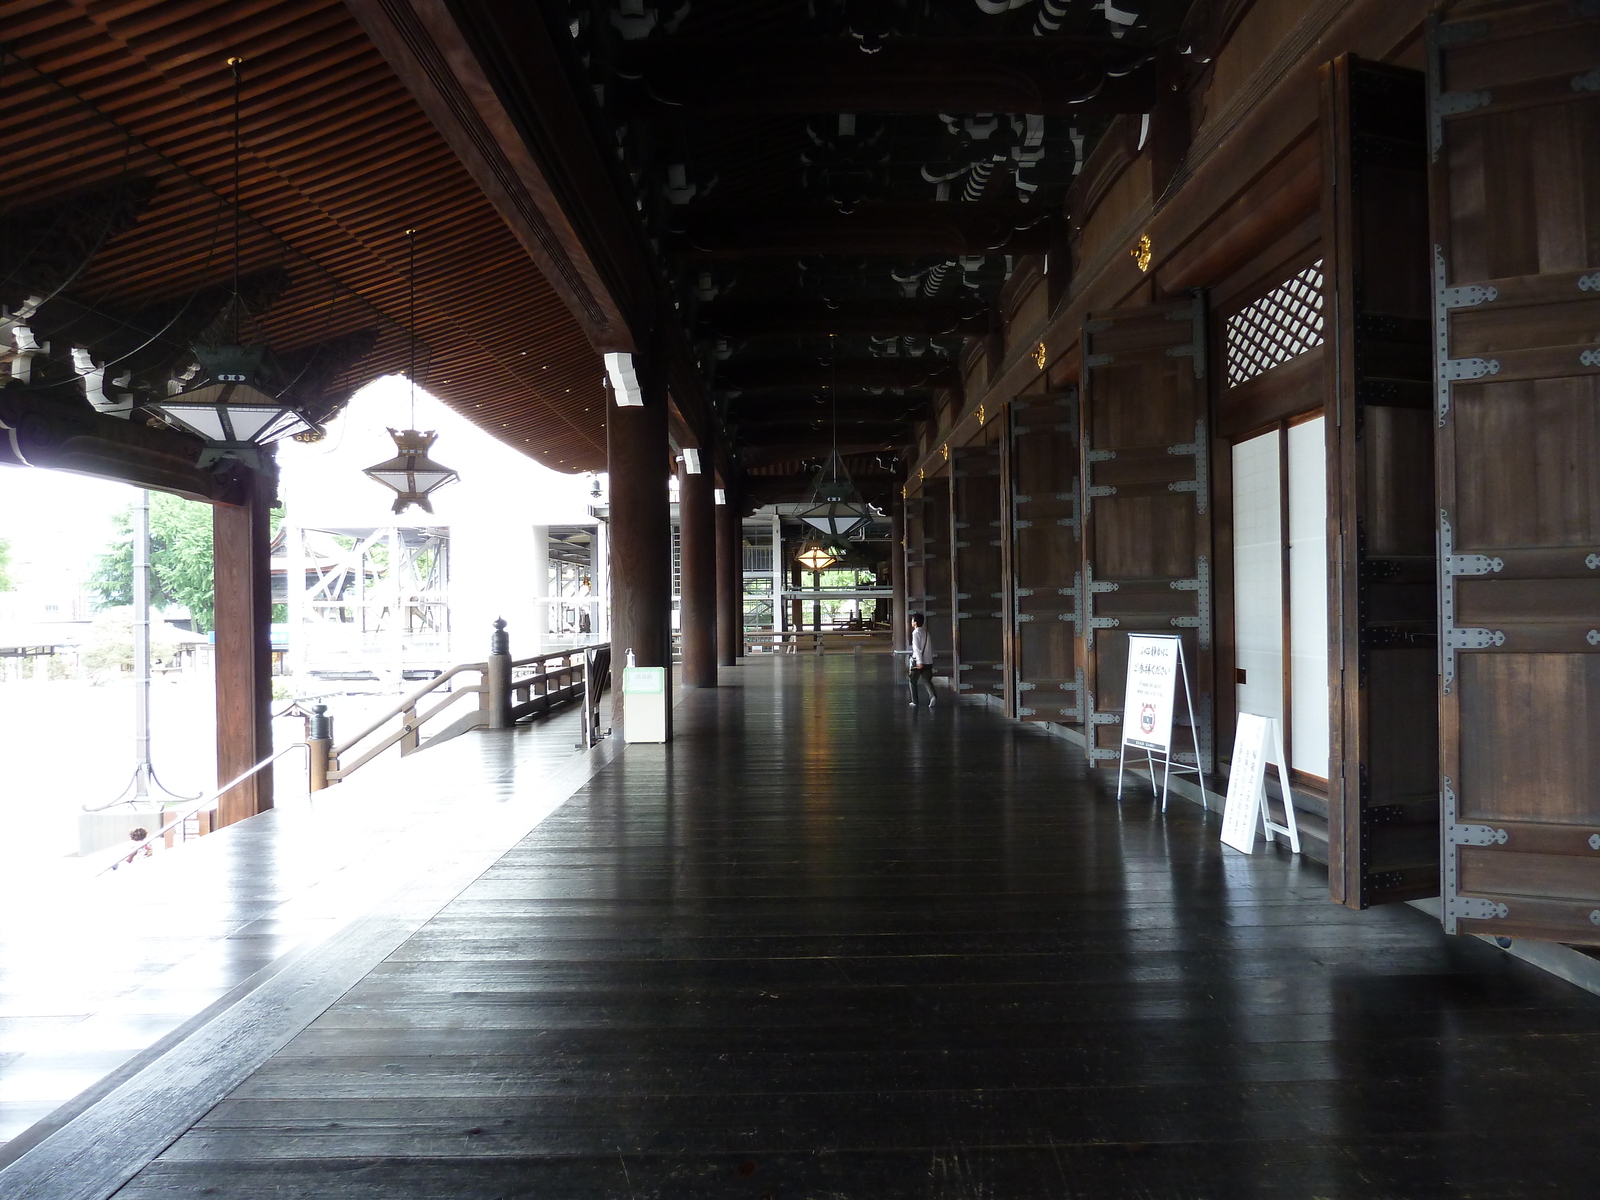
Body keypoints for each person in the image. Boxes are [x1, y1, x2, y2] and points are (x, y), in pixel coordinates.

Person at [907, 612, 935, 708]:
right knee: (927, 680)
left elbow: (916, 648)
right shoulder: (926, 633)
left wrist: (919, 661)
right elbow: (929, 648)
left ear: (915, 622)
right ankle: (933, 696)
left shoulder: (915, 633)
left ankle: (915, 701)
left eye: (912, 620)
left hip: (918, 662)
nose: (911, 622)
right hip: (928, 661)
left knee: (912, 681)